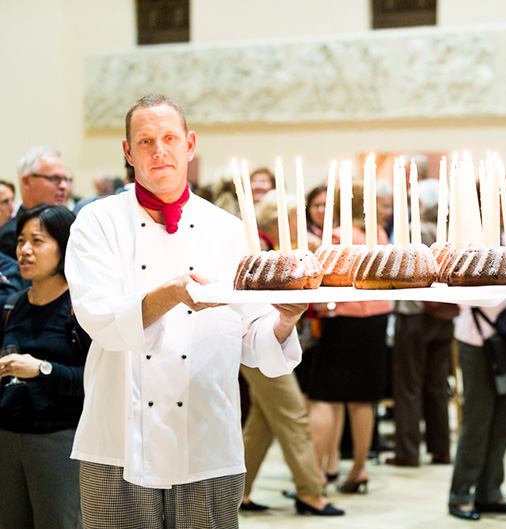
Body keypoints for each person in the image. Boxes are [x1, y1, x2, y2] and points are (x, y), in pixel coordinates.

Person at [64, 93, 307, 529]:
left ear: (189, 144)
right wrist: (170, 293)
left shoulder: (229, 230)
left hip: (206, 439)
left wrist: (285, 319)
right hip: (119, 438)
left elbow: (251, 340)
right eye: (146, 141)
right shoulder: (96, 222)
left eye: (170, 138)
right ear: (127, 151)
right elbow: (97, 317)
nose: (160, 150)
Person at [238, 193, 343, 516]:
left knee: (263, 422)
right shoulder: (258, 247)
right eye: (298, 216)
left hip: (272, 338)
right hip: (254, 338)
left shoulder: (282, 246)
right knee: (293, 413)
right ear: (279, 219)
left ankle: (238, 492)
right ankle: (311, 492)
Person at [0, 204, 89, 529]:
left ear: (64, 247)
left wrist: (41, 369)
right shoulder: (12, 305)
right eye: (21, 240)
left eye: (37, 241)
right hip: (8, 434)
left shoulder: (80, 310)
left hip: (59, 439)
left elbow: (95, 380)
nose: (24, 250)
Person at [308, 182, 391, 495]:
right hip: (377, 317)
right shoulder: (378, 236)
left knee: (324, 397)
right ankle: (359, 468)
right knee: (362, 397)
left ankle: (316, 473)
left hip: (342, 318)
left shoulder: (336, 238)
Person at [388, 179, 455, 468]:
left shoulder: (414, 232)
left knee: (408, 385)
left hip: (414, 316)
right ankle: (441, 448)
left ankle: (408, 451)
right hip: (445, 315)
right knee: (437, 384)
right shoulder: (450, 235)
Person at [447, 301, 506, 521]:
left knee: (502, 424)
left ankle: (490, 492)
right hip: (475, 340)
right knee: (476, 422)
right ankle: (460, 494)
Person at [0, 146, 72, 260]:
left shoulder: (72, 226)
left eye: (66, 180)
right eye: (54, 179)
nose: (63, 186)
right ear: (27, 182)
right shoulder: (10, 236)